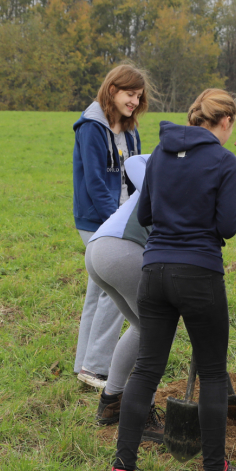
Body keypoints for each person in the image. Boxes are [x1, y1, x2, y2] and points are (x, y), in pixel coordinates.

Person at [107, 89, 236, 471]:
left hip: (153, 271)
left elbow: (146, 213)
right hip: (199, 273)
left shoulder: (159, 154)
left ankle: (122, 470)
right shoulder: (224, 161)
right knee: (214, 372)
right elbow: (227, 227)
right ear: (223, 122)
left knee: (147, 369)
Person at [72, 64, 149, 389]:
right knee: (111, 291)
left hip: (121, 218)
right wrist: (113, 225)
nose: (134, 102)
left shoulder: (130, 130)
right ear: (113, 90)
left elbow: (135, 175)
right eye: (130, 95)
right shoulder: (91, 127)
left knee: (98, 291)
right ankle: (96, 368)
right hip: (96, 220)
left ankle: (84, 365)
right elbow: (94, 181)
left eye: (138, 97)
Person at [84, 154, 164, 443]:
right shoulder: (173, 160)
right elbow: (133, 162)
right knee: (157, 331)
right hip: (123, 250)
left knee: (143, 326)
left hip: (98, 248)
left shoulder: (175, 160)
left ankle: (111, 402)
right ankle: (143, 413)